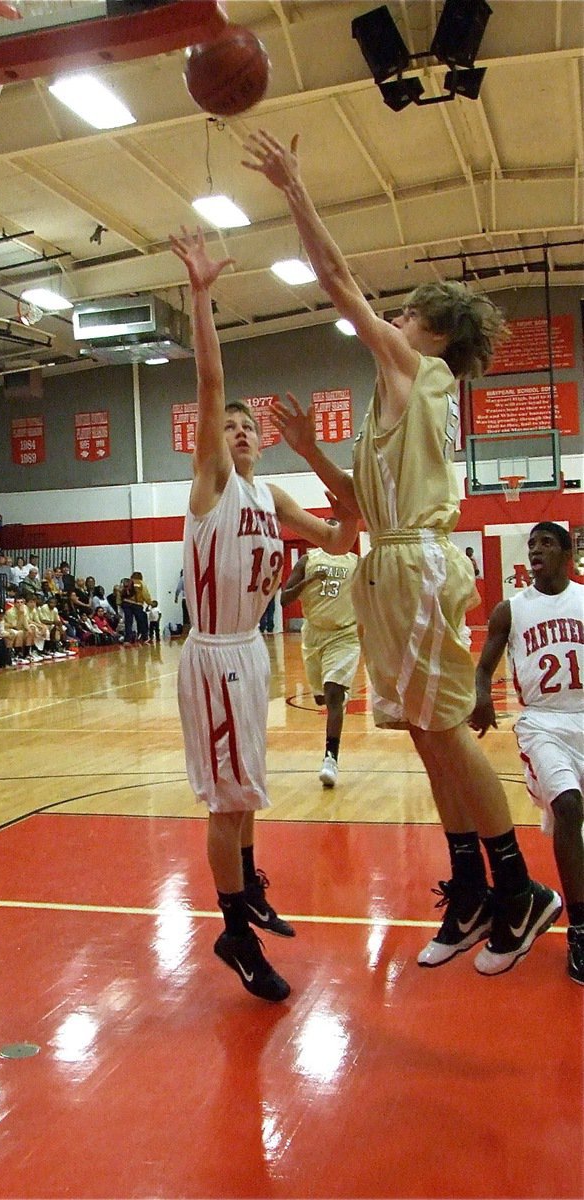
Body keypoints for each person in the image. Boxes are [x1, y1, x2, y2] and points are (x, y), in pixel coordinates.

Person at [243, 129, 560, 976]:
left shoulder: (420, 374)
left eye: (408, 312)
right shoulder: (398, 396)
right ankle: (468, 888)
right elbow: (348, 512)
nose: (393, 319)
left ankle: (521, 886)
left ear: (429, 332)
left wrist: (295, 189)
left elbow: (339, 281)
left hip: (417, 563)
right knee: (423, 734)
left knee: (447, 729)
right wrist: (310, 454)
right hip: (387, 560)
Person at [169, 226, 358, 1003]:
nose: (239, 429)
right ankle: (234, 933)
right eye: (230, 426)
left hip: (251, 650)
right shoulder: (213, 483)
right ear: (216, 440)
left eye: (249, 426)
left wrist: (327, 466)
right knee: (227, 797)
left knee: (247, 789)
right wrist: (202, 294)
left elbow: (344, 533)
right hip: (214, 652)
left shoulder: (269, 496)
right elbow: (212, 384)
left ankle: (248, 889)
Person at [469, 523, 583, 985]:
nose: (535, 549)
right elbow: (484, 667)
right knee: (569, 805)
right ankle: (579, 929)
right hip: (542, 722)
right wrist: (480, 699)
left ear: (567, 551)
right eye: (531, 543)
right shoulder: (510, 610)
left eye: (546, 542)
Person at [280, 536, 360, 788]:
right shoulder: (308, 560)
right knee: (322, 699)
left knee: (333, 693)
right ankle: (338, 698)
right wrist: (310, 580)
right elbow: (285, 599)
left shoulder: (356, 563)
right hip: (314, 635)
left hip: (345, 634)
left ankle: (330, 759)